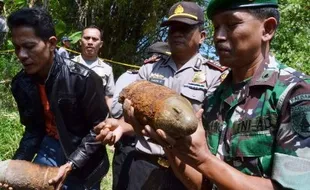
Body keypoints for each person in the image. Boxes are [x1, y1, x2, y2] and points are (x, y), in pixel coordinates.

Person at [134, 0, 310, 189]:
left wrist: (203, 160)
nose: (218, 36)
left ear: (267, 29)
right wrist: (172, 147)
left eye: (232, 24)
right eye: (216, 27)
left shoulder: (293, 92)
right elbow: (204, 184)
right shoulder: (214, 98)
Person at [95, 2, 228, 190]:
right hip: (143, 164)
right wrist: (120, 127)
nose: (177, 33)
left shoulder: (216, 76)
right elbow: (135, 118)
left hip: (185, 170)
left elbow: (210, 130)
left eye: (185, 28)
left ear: (202, 36)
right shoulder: (149, 69)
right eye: (172, 28)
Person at [8, 8, 109, 190]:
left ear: (52, 43)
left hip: (84, 156)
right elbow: (33, 130)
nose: (21, 55)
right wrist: (15, 167)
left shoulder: (83, 79)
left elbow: (98, 130)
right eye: (17, 47)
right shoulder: (21, 84)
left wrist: (71, 164)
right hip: (48, 147)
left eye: (29, 47)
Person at [72, 26, 115, 111]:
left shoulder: (107, 69)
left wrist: (112, 117)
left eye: (95, 39)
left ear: (101, 44)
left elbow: (109, 96)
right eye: (87, 38)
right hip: (72, 117)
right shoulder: (69, 65)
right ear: (80, 42)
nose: (90, 42)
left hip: (98, 119)